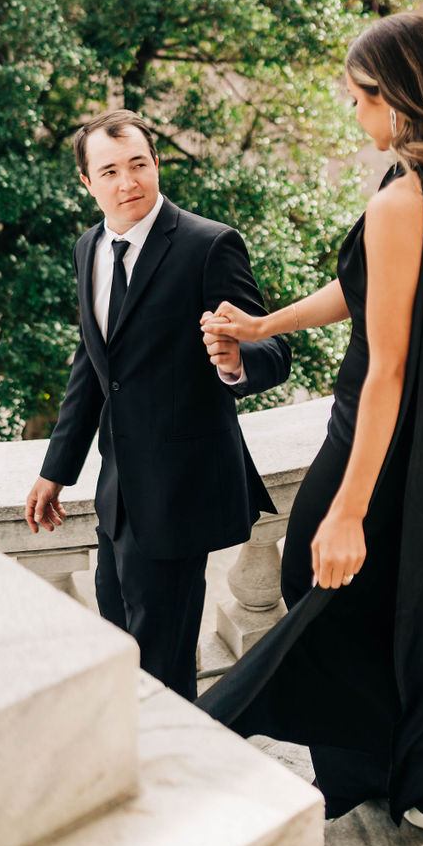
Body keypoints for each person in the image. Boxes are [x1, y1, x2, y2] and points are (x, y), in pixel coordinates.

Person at [197, 13, 423, 828]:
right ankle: (396, 760)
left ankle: (389, 759)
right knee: (400, 589)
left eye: (358, 99)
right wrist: (267, 326)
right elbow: (370, 291)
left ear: (396, 99)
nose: (353, 113)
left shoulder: (403, 198)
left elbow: (388, 363)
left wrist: (347, 506)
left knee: (317, 566)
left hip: (388, 413)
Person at [24, 110, 290, 700]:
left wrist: (234, 361)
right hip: (116, 497)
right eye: (110, 171)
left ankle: (176, 775)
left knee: (163, 669)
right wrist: (55, 470)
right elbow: (92, 368)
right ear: (87, 183)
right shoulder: (87, 248)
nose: (128, 183)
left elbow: (273, 345)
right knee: (120, 647)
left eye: (139, 164)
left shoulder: (208, 244)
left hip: (179, 495)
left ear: (157, 164)